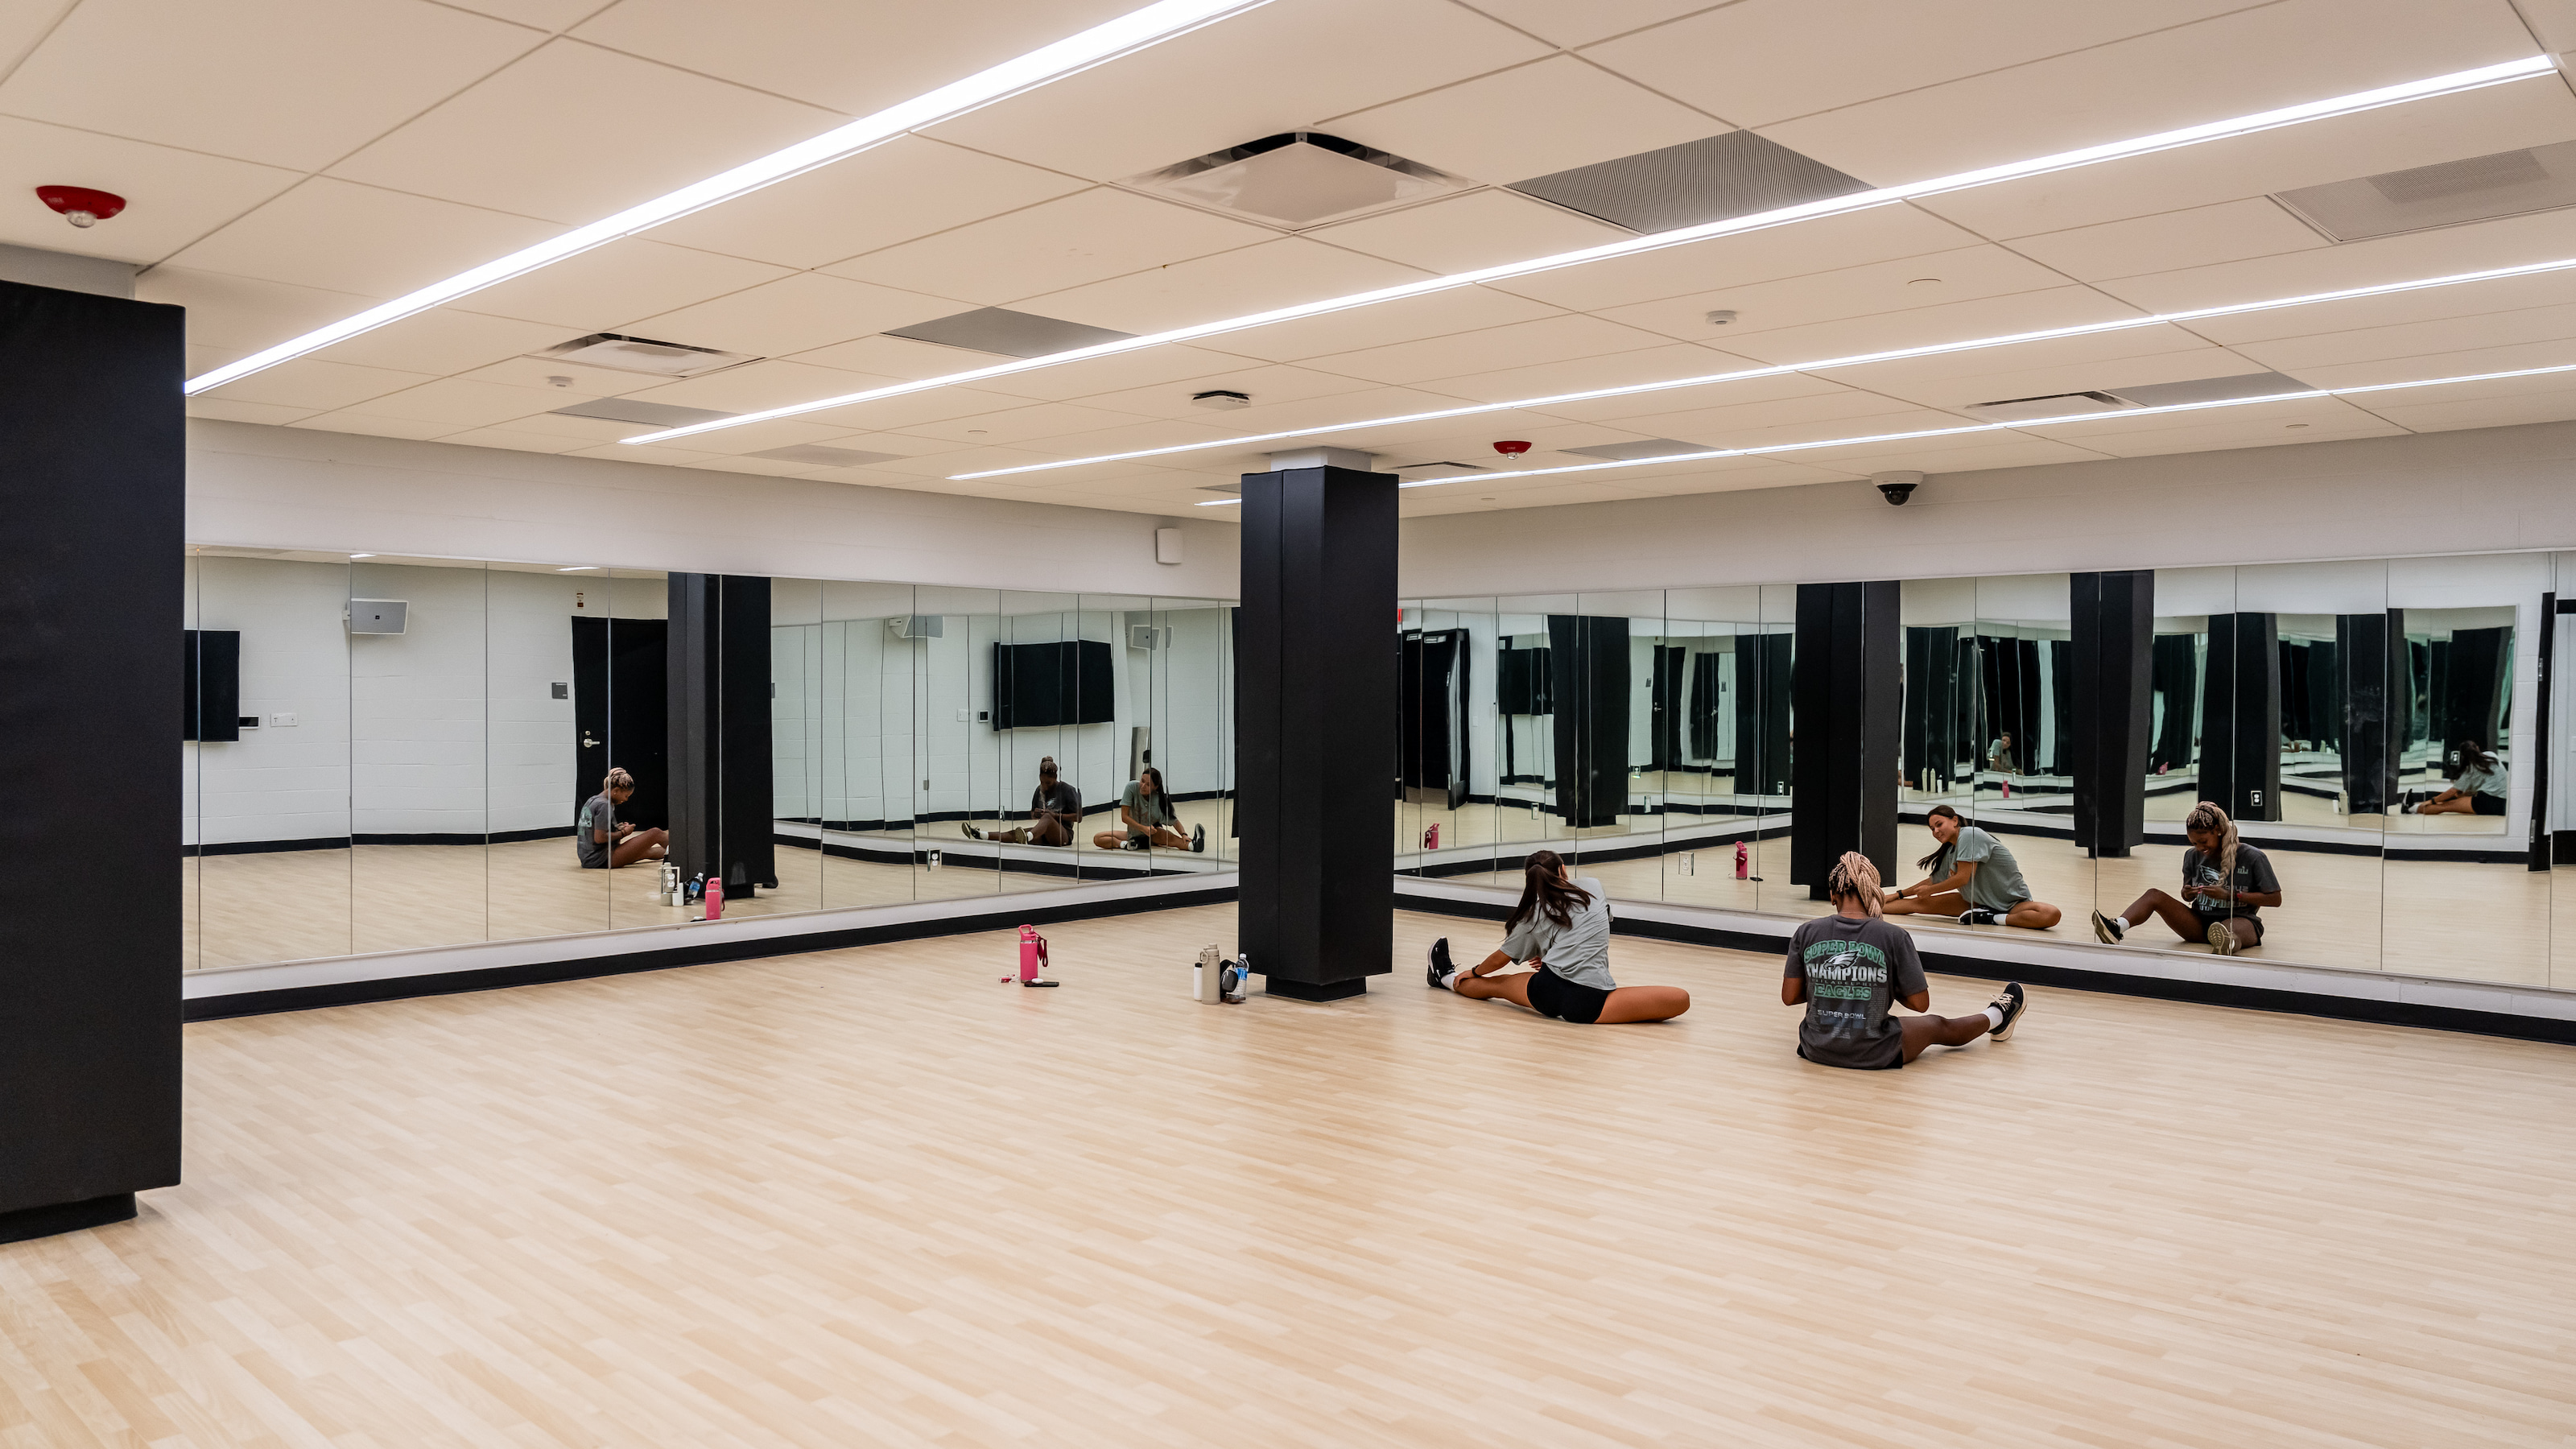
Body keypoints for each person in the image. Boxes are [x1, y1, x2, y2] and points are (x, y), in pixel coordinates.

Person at [1784, 851, 2029, 1068]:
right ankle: (1998, 1015)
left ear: (1832, 895)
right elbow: (1920, 1004)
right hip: (1875, 1050)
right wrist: (1873, 985)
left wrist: (1836, 983)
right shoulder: (1894, 936)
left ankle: (1999, 1017)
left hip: (1816, 1048)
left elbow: (1790, 996)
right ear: (1872, 891)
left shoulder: (1807, 932)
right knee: (1938, 1025)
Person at [1425, 849, 1689, 1024]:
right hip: (1590, 1002)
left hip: (1546, 991)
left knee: (1497, 985)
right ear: (1563, 869)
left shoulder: (1532, 914)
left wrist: (1473, 971)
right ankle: (1446, 977)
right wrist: (1549, 954)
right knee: (1681, 998)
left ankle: (1446, 977)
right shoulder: (1592, 887)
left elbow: (1500, 959)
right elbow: (1586, 929)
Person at [2090, 800, 2280, 956]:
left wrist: (2231, 895)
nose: (2198, 847)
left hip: (2240, 921)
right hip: (2199, 923)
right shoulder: (2191, 856)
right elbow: (2186, 895)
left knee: (2227, 928)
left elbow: (2275, 899)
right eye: (2194, 843)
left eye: (2203, 841)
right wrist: (2187, 893)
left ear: (2218, 830)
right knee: (2154, 895)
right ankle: (2117, 928)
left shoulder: (2253, 857)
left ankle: (2226, 944)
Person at [1880, 804, 2062, 929]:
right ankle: (1867, 907)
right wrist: (1898, 894)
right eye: (1932, 829)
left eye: (1939, 825)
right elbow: (1933, 880)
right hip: (1976, 903)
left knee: (2051, 914)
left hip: (2012, 904)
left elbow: (1962, 878)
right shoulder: (1951, 850)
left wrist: (1931, 891)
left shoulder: (1969, 835)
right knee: (1917, 905)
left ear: (1954, 821)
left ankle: (1991, 918)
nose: (1935, 831)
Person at [964, 755, 1080, 845]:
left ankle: (1028, 837)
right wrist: (1037, 814)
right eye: (1042, 782)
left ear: (1055, 778)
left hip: (1063, 835)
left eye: (1048, 783)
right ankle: (981, 835)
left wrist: (1054, 815)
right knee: (1014, 834)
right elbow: (1033, 814)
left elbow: (1078, 817)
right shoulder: (1039, 790)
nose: (1045, 786)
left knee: (1048, 818)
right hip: (1043, 834)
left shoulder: (1067, 790)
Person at [1093, 765, 1203, 852]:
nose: (1143, 786)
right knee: (1098, 838)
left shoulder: (1159, 801)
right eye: (1142, 781)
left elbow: (1174, 821)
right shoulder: (1131, 787)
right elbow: (1124, 817)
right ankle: (1126, 845)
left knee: (1172, 840)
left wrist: (1184, 835)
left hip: (1153, 834)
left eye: (1148, 784)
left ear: (1155, 788)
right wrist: (1143, 829)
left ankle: (1193, 846)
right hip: (1134, 835)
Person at [576, 766, 667, 869]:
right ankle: (683, 854)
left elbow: (594, 830)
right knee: (655, 833)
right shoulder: (604, 805)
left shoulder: (593, 800)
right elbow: (600, 838)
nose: (626, 800)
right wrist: (624, 833)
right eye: (626, 796)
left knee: (645, 851)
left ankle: (675, 854)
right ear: (616, 791)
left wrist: (617, 827)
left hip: (589, 858)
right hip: (601, 858)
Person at [2415, 740, 2508, 816]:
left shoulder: (2470, 770)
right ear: (2477, 748)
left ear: (2463, 756)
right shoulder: (2491, 755)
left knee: (2445, 806)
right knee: (2460, 801)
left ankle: (2412, 809)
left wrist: (2432, 801)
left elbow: (2452, 791)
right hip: (2504, 804)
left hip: (2487, 803)